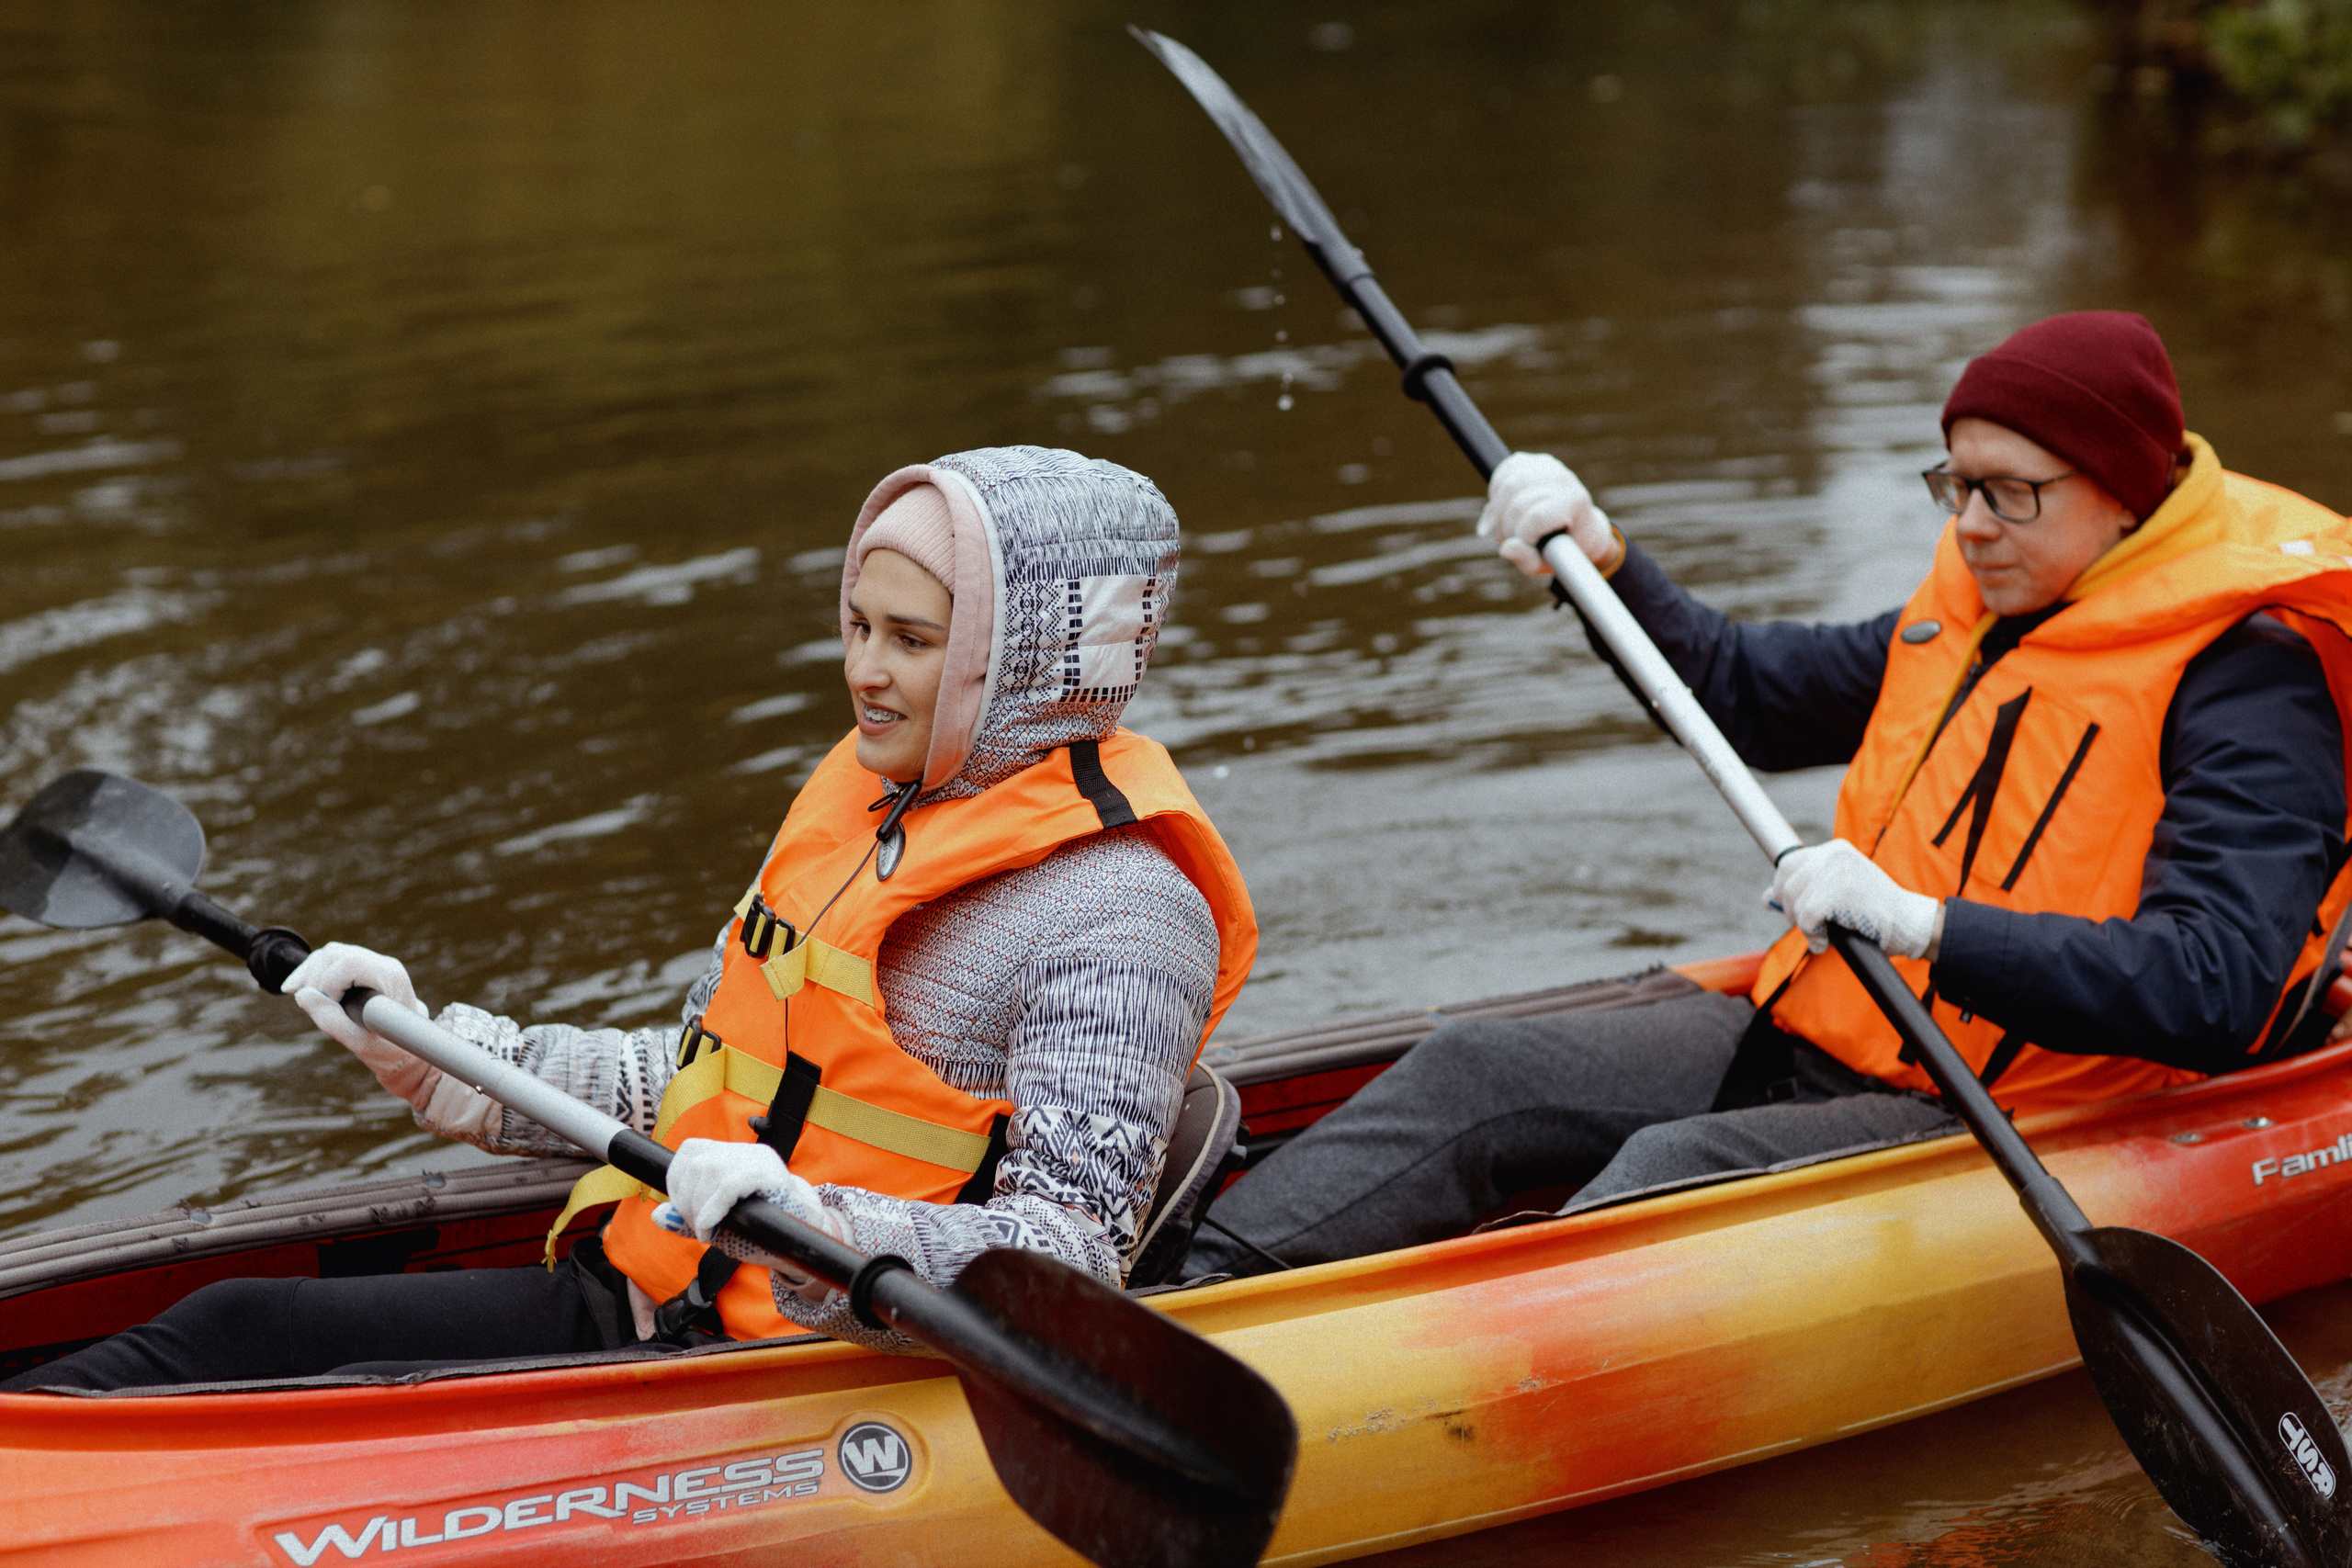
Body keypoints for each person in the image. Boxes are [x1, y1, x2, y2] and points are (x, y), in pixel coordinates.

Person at [7, 445, 1254, 1391]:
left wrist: (823, 1226)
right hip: (646, 1294)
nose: (864, 669)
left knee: (234, 1338)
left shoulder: (1121, 913)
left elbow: (1072, 1256)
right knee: (234, 1325)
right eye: (859, 625)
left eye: (915, 640)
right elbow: (706, 1078)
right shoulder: (869, 808)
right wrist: (446, 1053)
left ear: (1018, 656)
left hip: (805, 1376)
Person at [1185, 310, 2352, 1279]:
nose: (1969, 525)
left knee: (1656, 1188)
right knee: (1478, 1069)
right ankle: (1184, 1289)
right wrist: (1600, 563)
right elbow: (1746, 692)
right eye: (1954, 484)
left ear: (2124, 494)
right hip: (1826, 1021)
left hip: (2004, 1102)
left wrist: (1924, 928)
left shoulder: (2249, 683)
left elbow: (2211, 988)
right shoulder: (1982, 603)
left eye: (2009, 493)